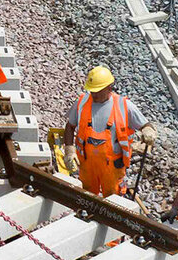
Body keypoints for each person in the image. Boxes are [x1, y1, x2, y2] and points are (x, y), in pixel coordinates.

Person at [66, 65, 157, 198]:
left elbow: (145, 125)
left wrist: (148, 130)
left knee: (112, 199)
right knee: (86, 197)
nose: (94, 94)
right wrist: (69, 150)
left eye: (98, 91)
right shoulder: (82, 102)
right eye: (92, 91)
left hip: (112, 166)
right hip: (86, 164)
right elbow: (70, 126)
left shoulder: (123, 106)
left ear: (109, 88)